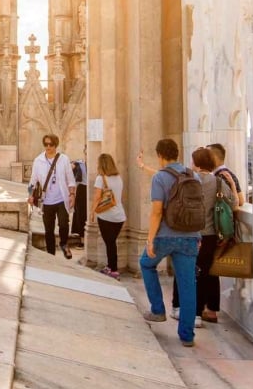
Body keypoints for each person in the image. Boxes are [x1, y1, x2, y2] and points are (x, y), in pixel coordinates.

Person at [138, 138, 213, 347]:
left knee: (146, 264)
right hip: (190, 236)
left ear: (160, 156)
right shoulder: (193, 176)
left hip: (165, 235)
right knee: (188, 284)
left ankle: (158, 310)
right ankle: (187, 336)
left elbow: (156, 212)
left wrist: (150, 239)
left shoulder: (160, 178)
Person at [172, 146, 238, 325]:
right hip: (209, 235)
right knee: (203, 274)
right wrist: (231, 184)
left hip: (187, 232)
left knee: (184, 272)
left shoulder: (186, 179)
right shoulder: (218, 182)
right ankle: (197, 314)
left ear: (197, 163)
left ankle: (179, 308)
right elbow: (233, 203)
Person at [28, 134, 78, 258]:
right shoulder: (38, 160)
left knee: (64, 223)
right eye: (46, 144)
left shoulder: (64, 159)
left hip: (62, 198)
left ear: (56, 145)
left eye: (51, 144)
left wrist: (72, 195)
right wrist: (30, 195)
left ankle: (64, 244)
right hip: (47, 200)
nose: (48, 147)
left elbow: (71, 180)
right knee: (48, 230)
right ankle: (51, 255)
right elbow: (32, 181)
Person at [92, 153, 127, 278]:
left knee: (110, 243)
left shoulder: (101, 178)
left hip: (106, 216)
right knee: (111, 242)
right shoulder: (118, 178)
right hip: (120, 216)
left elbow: (97, 198)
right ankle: (111, 267)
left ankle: (113, 269)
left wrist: (92, 212)